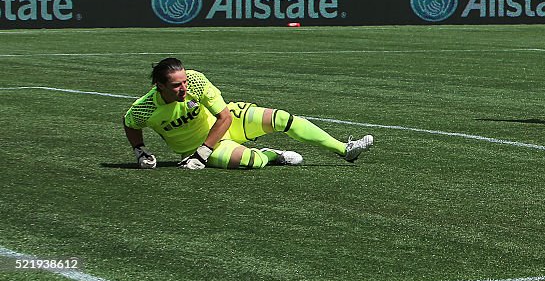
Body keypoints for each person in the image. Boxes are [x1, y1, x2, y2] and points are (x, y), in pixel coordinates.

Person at [123, 58, 374, 170]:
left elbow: (224, 117)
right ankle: (273, 154)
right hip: (197, 147)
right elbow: (130, 123)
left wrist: (203, 154)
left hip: (223, 127)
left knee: (282, 118)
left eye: (184, 81)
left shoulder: (196, 81)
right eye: (177, 85)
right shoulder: (145, 107)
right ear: (160, 86)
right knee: (251, 163)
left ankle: (345, 150)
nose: (184, 88)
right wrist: (140, 151)